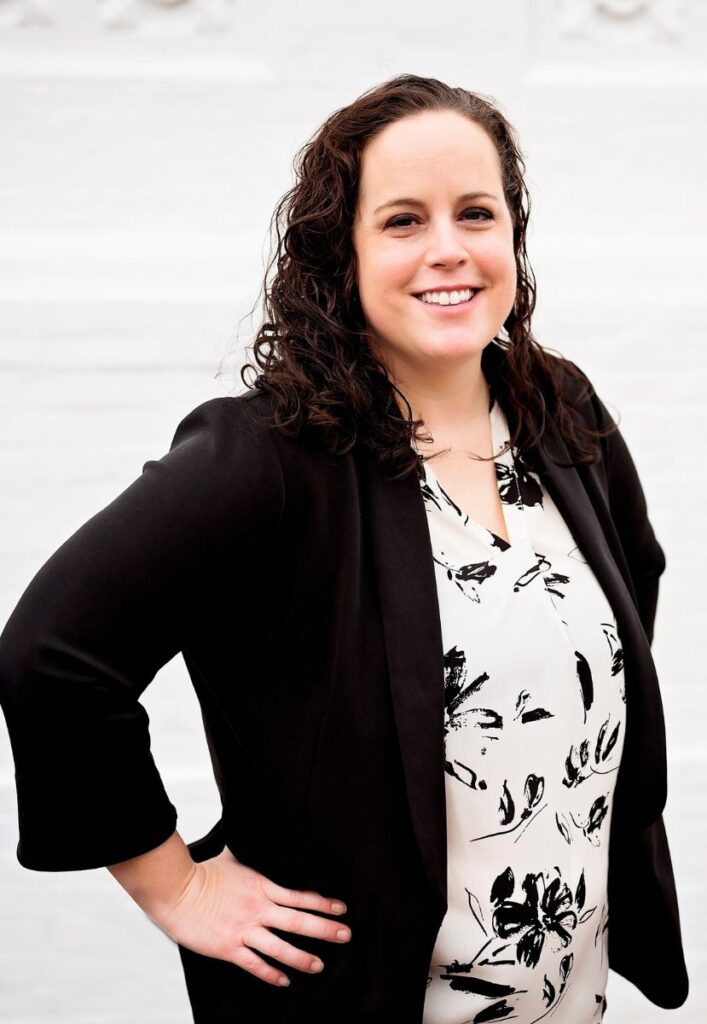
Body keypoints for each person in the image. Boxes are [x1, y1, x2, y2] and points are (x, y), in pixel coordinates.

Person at [0, 73, 689, 1023]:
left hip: (568, 996)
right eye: (402, 220)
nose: (448, 249)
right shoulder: (269, 455)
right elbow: (54, 657)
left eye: (476, 213)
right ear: (342, 253)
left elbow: (630, 592)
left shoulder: (558, 410)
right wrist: (178, 886)